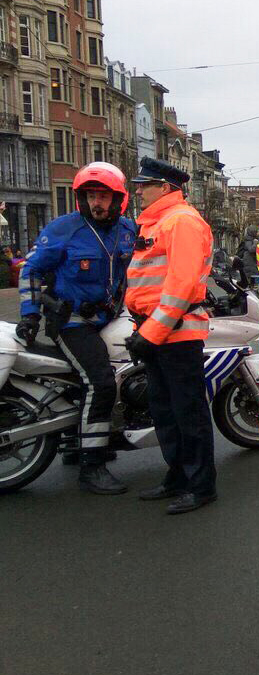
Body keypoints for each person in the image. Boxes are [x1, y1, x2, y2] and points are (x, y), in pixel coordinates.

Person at [15, 162, 136, 494]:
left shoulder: (127, 230)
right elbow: (30, 271)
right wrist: (30, 315)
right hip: (71, 321)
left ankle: (76, 442)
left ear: (119, 199)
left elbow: (139, 268)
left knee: (132, 364)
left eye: (103, 196)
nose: (97, 203)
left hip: (111, 316)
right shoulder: (62, 229)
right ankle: (92, 466)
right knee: (100, 382)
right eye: (90, 196)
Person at [124, 158, 216, 515]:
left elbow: (180, 285)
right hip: (157, 331)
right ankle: (178, 477)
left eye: (144, 185)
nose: (138, 190)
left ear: (165, 188)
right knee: (165, 412)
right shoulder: (159, 222)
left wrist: (151, 332)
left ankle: (200, 485)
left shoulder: (182, 221)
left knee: (187, 413)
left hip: (174, 334)